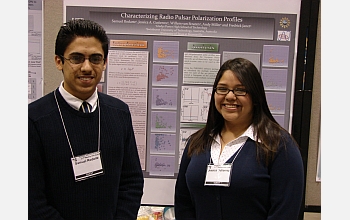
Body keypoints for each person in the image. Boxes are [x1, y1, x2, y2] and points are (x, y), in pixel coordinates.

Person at [28, 19, 144, 220]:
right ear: (59, 61)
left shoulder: (119, 113)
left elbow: (131, 182)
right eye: (77, 58)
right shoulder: (34, 118)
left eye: (96, 59)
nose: (87, 67)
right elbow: (31, 199)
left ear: (105, 62)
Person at [174, 58, 304, 220]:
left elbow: (285, 212)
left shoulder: (279, 146)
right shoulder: (197, 142)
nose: (229, 96)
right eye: (222, 89)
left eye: (240, 90)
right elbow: (183, 202)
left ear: (255, 96)